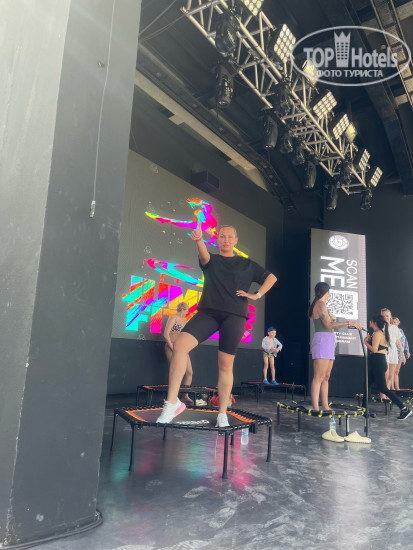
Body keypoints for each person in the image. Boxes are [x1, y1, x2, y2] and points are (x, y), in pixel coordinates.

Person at [157, 225, 277, 427]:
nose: (226, 239)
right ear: (218, 239)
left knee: (225, 365)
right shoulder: (212, 260)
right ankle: (172, 403)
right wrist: (198, 240)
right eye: (222, 236)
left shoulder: (246, 264)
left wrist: (256, 295)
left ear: (236, 240)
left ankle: (222, 413)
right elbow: (204, 257)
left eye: (230, 236)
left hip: (235, 315)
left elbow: (271, 278)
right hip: (209, 313)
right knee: (179, 345)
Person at [308, 282, 362, 411]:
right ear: (328, 292)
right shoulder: (320, 304)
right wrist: (349, 322)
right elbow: (329, 325)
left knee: (326, 377)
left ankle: (325, 405)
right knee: (318, 376)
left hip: (329, 340)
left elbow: (331, 323)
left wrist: (334, 319)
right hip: (322, 340)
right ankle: (315, 407)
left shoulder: (323, 305)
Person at [363, 315, 411, 420]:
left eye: (371, 321)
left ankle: (404, 408)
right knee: (367, 384)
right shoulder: (379, 333)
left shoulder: (377, 333)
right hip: (378, 361)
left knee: (383, 388)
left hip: (378, 362)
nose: (369, 322)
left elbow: (374, 349)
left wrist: (365, 342)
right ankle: (364, 408)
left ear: (374, 322)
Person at [163, 302, 193, 406]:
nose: (187, 312)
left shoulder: (185, 320)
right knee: (174, 371)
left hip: (182, 348)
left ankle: (185, 395)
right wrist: (171, 346)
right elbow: (166, 334)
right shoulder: (173, 318)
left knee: (189, 372)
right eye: (186, 310)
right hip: (171, 347)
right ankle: (171, 397)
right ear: (182, 309)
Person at [380, 308, 405, 391]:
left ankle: (388, 393)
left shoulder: (394, 328)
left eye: (387, 316)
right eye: (383, 316)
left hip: (393, 351)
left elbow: (398, 342)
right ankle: (383, 394)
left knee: (391, 375)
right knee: (386, 375)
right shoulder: (380, 328)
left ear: (390, 316)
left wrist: (403, 355)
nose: (385, 318)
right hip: (384, 351)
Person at [391, 317, 410, 391]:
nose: (393, 323)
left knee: (397, 371)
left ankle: (397, 388)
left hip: (400, 353)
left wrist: (407, 352)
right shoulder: (390, 330)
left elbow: (405, 342)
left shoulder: (401, 331)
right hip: (393, 353)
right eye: (392, 322)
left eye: (394, 322)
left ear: (398, 323)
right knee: (392, 371)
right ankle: (392, 387)